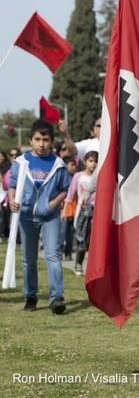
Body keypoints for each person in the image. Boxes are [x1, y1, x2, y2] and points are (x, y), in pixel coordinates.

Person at [9, 119, 71, 314]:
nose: (41, 144)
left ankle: (57, 298)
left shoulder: (58, 164)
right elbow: (12, 185)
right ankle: (30, 297)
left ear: (51, 141)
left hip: (50, 217)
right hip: (26, 217)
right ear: (31, 140)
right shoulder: (21, 163)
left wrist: (53, 204)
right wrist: (12, 200)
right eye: (37, 139)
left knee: (52, 255)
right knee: (29, 259)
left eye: (45, 140)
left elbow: (65, 189)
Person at [72, 150, 98, 276]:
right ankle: (78, 263)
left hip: (98, 212)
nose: (93, 164)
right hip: (83, 211)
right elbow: (71, 194)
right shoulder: (78, 176)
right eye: (91, 161)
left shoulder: (102, 176)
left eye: (96, 161)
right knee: (81, 241)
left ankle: (94, 268)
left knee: (95, 241)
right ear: (85, 162)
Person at [60, 155, 77, 260]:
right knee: (62, 231)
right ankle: (60, 252)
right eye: (72, 165)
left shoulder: (75, 177)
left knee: (70, 232)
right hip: (64, 209)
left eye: (75, 165)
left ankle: (68, 252)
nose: (74, 167)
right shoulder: (62, 177)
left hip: (74, 208)